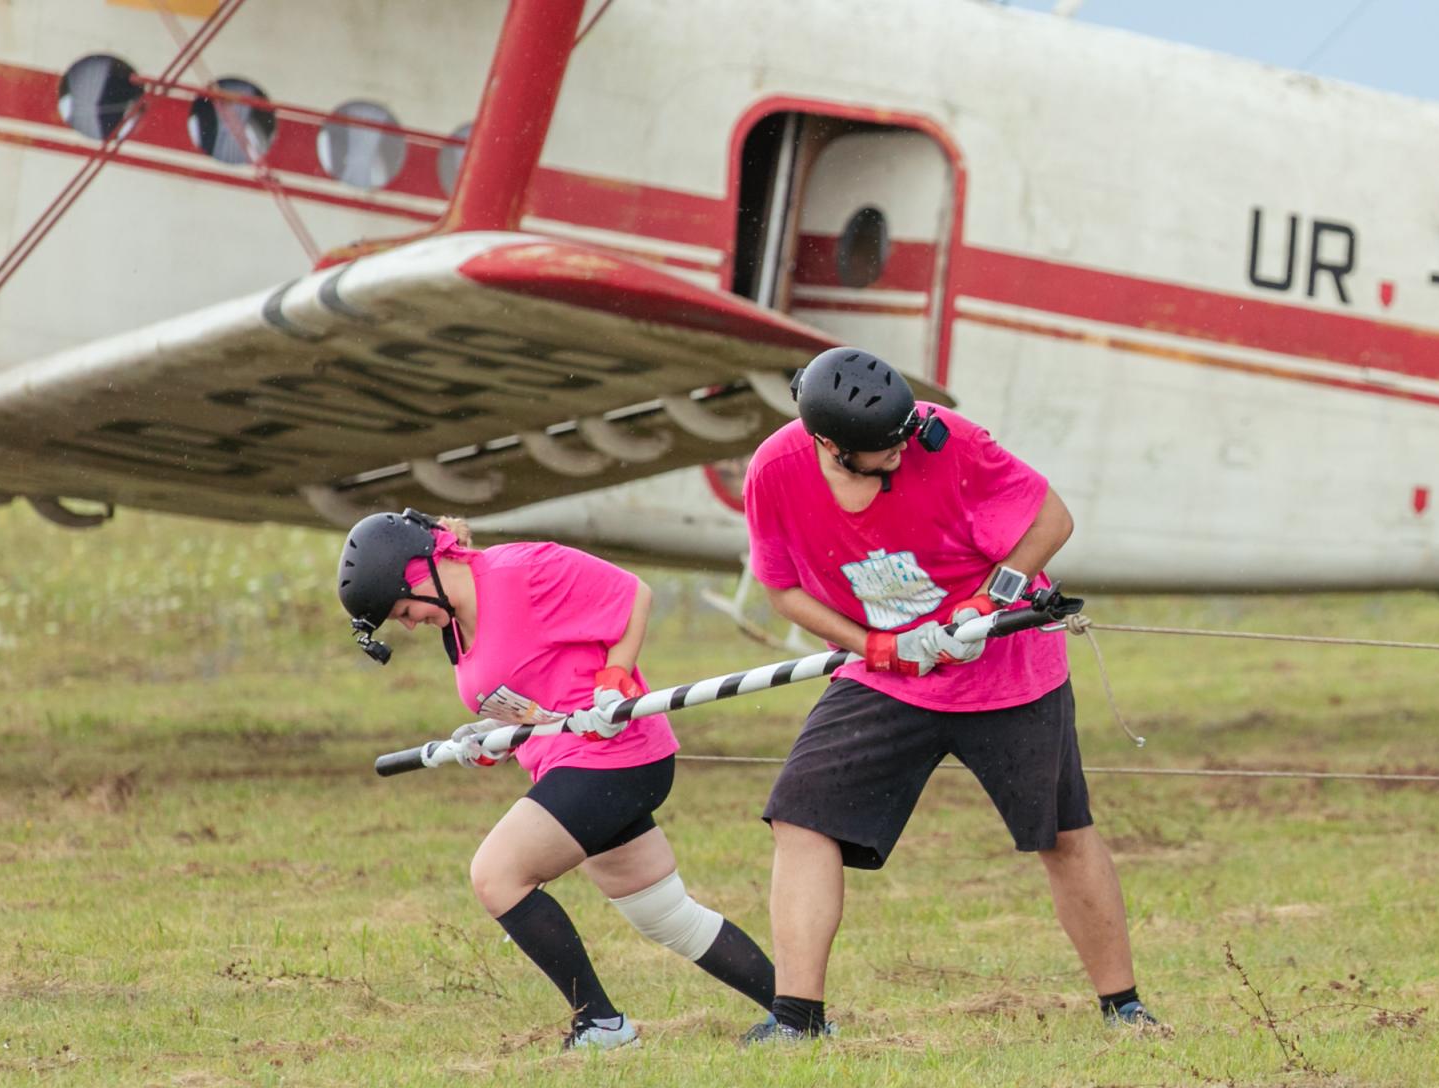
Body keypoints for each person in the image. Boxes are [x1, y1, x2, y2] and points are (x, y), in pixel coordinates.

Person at [739, 347, 1157, 1043]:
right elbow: (781, 587)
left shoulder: (946, 439)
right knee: (800, 814)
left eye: (907, 437)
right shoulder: (776, 473)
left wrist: (985, 603)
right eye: (884, 450)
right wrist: (871, 645)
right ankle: (797, 1019)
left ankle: (1126, 1010)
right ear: (833, 447)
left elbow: (1051, 519)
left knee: (1063, 833)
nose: (903, 455)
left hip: (1009, 668)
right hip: (889, 675)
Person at [336, 510, 775, 1049]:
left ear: (421, 568)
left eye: (404, 610)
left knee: (497, 875)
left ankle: (601, 1024)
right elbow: (527, 694)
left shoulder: (524, 570)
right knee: (665, 915)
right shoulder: (454, 624)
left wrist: (614, 678)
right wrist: (487, 737)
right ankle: (798, 1015)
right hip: (566, 760)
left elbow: (631, 594)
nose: (407, 624)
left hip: (616, 756)